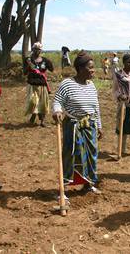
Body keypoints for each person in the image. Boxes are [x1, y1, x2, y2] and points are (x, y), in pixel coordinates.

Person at [52, 51, 103, 196]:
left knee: (91, 155)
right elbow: (57, 100)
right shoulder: (67, 84)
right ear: (80, 69)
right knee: (71, 155)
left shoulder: (91, 85)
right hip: (73, 126)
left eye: (94, 68)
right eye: (90, 68)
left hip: (90, 126)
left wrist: (99, 125)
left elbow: (96, 107)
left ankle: (88, 184)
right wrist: (57, 111)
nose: (93, 70)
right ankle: (63, 189)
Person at [24, 42, 54, 127]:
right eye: (35, 49)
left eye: (39, 49)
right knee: (33, 102)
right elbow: (25, 72)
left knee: (43, 103)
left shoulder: (45, 60)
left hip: (42, 84)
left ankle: (42, 121)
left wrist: (49, 63)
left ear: (41, 50)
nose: (37, 51)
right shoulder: (29, 60)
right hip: (32, 84)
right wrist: (29, 66)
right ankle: (33, 117)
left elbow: (51, 69)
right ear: (32, 50)